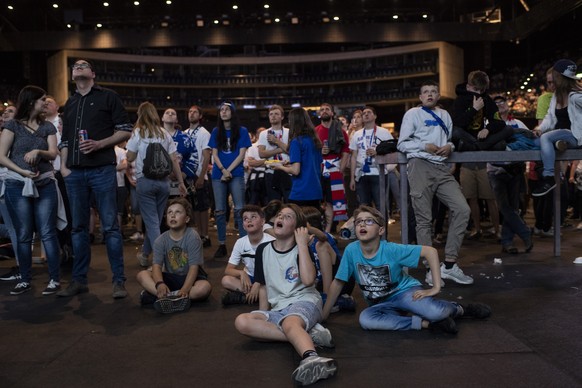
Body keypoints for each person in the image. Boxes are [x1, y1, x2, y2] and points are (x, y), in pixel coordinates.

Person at [322, 206, 491, 333]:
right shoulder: (352, 250)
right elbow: (338, 282)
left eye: (368, 221)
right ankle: (426, 324)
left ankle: (459, 309)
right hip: (381, 303)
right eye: (359, 222)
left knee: (435, 311)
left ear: (381, 230)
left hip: (404, 293)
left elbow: (430, 252)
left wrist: (436, 287)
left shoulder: (391, 249)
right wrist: (324, 314)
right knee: (366, 319)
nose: (362, 224)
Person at [234, 204, 337, 386]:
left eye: (288, 217)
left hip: (305, 301)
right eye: (280, 215)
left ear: (297, 228)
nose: (281, 218)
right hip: (279, 308)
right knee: (242, 321)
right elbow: (264, 286)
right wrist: (263, 314)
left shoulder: (301, 249)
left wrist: (303, 245)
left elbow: (307, 281)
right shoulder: (263, 250)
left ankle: (311, 358)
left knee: (290, 322)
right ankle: (308, 334)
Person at [57, 59, 133, 298]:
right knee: (78, 229)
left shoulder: (108, 97)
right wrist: (64, 166)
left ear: (92, 73)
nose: (78, 66)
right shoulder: (69, 103)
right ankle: (79, 280)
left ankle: (118, 281)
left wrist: (100, 143)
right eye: (75, 65)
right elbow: (66, 140)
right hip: (75, 173)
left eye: (83, 65)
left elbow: (125, 129)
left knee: (110, 227)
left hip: (101, 168)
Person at [397, 80, 473, 286]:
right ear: (420, 97)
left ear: (438, 96)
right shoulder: (413, 114)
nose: (429, 94)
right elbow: (401, 143)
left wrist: (449, 146)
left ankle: (449, 265)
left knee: (462, 209)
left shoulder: (445, 115)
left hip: (441, 168)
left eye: (433, 92)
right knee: (424, 220)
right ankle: (432, 269)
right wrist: (424, 146)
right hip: (419, 165)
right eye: (425, 92)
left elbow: (449, 139)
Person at [0, 85, 61, 295]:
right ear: (30, 101)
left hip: (44, 183)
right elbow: (1, 156)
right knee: (24, 234)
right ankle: (25, 279)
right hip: (17, 184)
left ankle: (54, 279)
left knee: (47, 233)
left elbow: (53, 154)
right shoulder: (12, 125)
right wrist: (22, 172)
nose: (45, 102)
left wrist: (39, 151)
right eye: (42, 99)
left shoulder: (48, 128)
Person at [126, 102, 187, 268]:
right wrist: (181, 182)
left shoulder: (139, 132)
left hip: (145, 182)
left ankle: (165, 261)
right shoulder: (164, 133)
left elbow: (130, 157)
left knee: (152, 223)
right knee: (155, 222)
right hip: (164, 183)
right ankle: (145, 255)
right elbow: (174, 159)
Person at [136, 198, 212, 312]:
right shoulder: (160, 240)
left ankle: (161, 297)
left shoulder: (193, 237)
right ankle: (172, 297)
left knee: (204, 288)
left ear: (186, 219)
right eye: (170, 212)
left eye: (178, 212)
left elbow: (193, 267)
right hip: (170, 277)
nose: (173, 215)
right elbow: (156, 266)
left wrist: (185, 289)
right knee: (142, 275)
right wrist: (160, 284)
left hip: (191, 277)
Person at [487, 96, 534, 254]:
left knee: (512, 207)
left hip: (515, 170)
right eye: (496, 103)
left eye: (503, 102)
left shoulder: (518, 123)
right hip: (495, 170)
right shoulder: (489, 124)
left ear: (508, 105)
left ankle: (507, 242)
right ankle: (525, 233)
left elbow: (530, 139)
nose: (500, 105)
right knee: (505, 207)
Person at [532, 59, 582, 197]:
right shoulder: (555, 96)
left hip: (574, 136)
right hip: (559, 135)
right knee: (534, 142)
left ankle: (548, 177)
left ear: (560, 78)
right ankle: (554, 172)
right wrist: (539, 129)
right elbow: (549, 118)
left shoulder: (575, 96)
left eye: (553, 80)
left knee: (546, 137)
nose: (551, 84)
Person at [209, 101, 252, 259]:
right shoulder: (215, 131)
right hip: (218, 173)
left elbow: (241, 155)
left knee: (240, 209)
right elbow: (214, 154)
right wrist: (222, 170)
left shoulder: (242, 131)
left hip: (236, 173)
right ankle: (222, 244)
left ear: (232, 113)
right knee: (220, 210)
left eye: (226, 110)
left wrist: (228, 171)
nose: (223, 112)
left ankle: (242, 245)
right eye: (221, 110)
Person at [221, 204, 275, 305]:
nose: (249, 220)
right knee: (226, 280)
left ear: (263, 222)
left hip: (268, 278)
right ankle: (255, 296)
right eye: (245, 219)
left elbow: (274, 271)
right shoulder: (240, 242)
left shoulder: (271, 242)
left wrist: (259, 283)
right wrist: (242, 273)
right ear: (243, 225)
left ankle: (245, 297)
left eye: (253, 217)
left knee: (273, 288)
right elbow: (228, 270)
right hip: (250, 278)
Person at [349, 106, 398, 211]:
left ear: (375, 116)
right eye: (364, 113)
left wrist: (378, 153)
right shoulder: (357, 134)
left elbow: (393, 151)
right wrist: (352, 178)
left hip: (378, 173)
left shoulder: (384, 132)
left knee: (381, 206)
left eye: (369, 112)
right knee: (363, 207)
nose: (366, 114)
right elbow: (353, 156)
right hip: (361, 174)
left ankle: (382, 228)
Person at [272, 108, 323, 208]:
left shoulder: (296, 142)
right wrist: (289, 163)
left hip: (301, 192)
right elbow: (313, 165)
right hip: (316, 191)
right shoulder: (315, 141)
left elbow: (295, 171)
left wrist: (280, 167)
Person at [452, 70, 514, 152]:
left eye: (482, 90)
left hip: (481, 138)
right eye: (476, 89)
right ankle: (479, 146)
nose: (479, 93)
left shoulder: (486, 99)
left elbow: (499, 122)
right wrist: (474, 109)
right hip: (465, 137)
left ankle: (475, 147)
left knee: (508, 130)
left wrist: (487, 129)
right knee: (455, 131)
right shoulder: (460, 100)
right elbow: (457, 124)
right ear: (468, 86)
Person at [315, 103, 350, 232]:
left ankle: (328, 231)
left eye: (327, 109)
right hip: (319, 168)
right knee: (318, 200)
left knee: (331, 202)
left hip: (334, 168)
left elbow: (346, 150)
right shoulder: (315, 131)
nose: (324, 111)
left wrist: (341, 168)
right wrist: (320, 152)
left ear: (332, 113)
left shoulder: (340, 131)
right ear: (319, 114)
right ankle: (318, 229)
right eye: (322, 109)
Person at [184, 105, 212, 248]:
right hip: (186, 175)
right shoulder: (184, 133)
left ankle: (205, 235)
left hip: (199, 174)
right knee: (193, 207)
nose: (192, 113)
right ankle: (196, 234)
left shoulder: (204, 133)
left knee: (202, 207)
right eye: (190, 111)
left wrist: (202, 176)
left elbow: (206, 156)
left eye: (195, 112)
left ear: (200, 116)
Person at [258, 105, 291, 202]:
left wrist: (276, 141)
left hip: (287, 170)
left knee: (289, 202)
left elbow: (291, 151)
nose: (273, 116)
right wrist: (281, 149)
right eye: (271, 114)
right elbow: (261, 154)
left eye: (276, 114)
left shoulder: (289, 132)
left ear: (282, 117)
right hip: (271, 172)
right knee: (273, 204)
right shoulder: (263, 133)